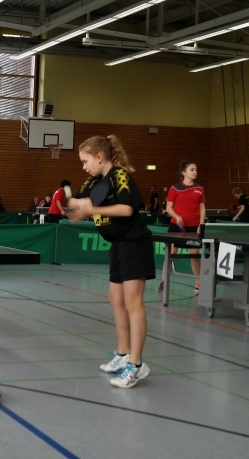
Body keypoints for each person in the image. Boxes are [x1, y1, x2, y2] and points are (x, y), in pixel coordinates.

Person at [65, 135, 154, 388]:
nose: (83, 166)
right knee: (115, 299)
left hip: (134, 243)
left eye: (85, 161)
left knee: (133, 303)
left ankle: (137, 365)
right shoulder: (94, 181)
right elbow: (77, 201)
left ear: (99, 157)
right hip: (117, 245)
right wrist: (75, 206)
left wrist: (91, 209)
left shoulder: (119, 175)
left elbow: (127, 209)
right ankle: (123, 354)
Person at [158, 159, 206, 295]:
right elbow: (169, 208)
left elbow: (202, 208)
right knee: (170, 255)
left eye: (196, 170)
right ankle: (163, 281)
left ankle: (198, 283)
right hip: (176, 227)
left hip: (194, 227)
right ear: (184, 172)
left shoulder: (200, 189)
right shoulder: (174, 188)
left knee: (194, 256)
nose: (195, 172)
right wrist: (177, 217)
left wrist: (201, 224)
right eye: (192, 170)